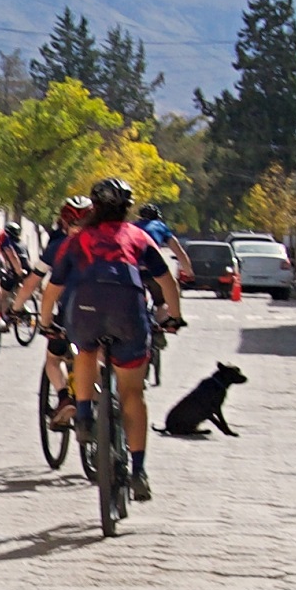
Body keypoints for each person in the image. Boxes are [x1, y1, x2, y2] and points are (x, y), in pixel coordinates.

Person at [42, 178, 184, 498]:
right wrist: (175, 316)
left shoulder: (76, 241)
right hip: (128, 312)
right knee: (132, 392)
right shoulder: (138, 236)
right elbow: (166, 281)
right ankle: (138, 471)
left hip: (85, 310)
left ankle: (82, 416)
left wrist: (46, 321)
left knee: (85, 349)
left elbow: (53, 287)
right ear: (127, 207)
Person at [20, 195, 93, 427]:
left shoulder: (59, 247)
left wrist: (17, 308)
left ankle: (64, 397)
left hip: (71, 313)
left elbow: (33, 282)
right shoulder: (108, 243)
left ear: (64, 222)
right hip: (110, 313)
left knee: (53, 359)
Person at [135, 203, 194, 286]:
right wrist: (189, 274)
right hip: (153, 270)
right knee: (170, 289)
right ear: (157, 218)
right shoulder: (160, 227)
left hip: (133, 270)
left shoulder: (131, 226)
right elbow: (179, 252)